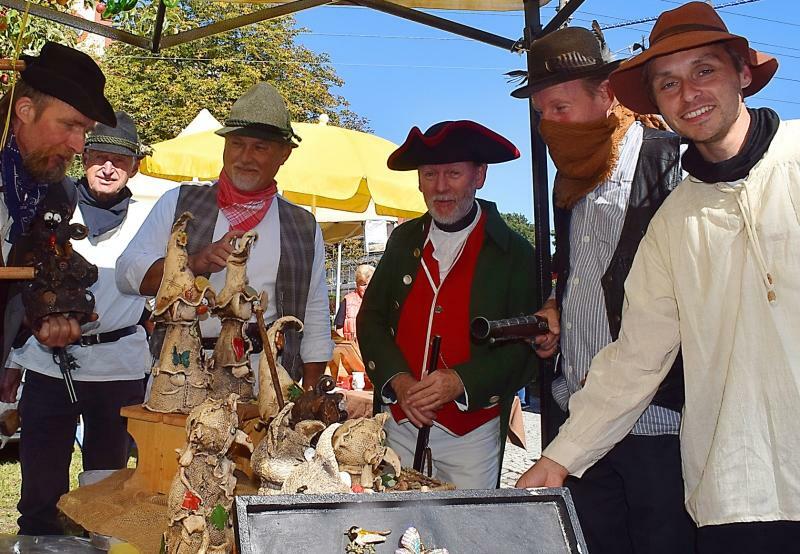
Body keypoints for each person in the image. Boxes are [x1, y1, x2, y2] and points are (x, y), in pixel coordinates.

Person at [516, 2, 800, 552]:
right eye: (668, 83)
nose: (689, 94)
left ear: (743, 73)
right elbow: (637, 353)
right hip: (736, 492)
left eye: (704, 71)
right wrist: (558, 458)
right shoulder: (673, 221)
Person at [509, 25, 694, 553]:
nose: (549, 123)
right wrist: (555, 306)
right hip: (576, 418)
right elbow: (581, 273)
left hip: (657, 423)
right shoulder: (570, 176)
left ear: (607, 93)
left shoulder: (671, 161)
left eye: (561, 107)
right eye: (542, 111)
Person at [357, 120, 538, 489]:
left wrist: (460, 381)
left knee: (464, 532)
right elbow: (372, 319)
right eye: (429, 174)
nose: (440, 187)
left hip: (472, 432)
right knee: (391, 531)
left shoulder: (516, 255)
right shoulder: (403, 241)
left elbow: (527, 347)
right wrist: (401, 382)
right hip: (400, 423)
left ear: (479, 176)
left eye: (453, 173)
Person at [116, 82, 332, 388]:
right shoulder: (178, 202)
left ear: (284, 154)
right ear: (225, 146)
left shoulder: (303, 226)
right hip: (181, 371)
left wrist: (309, 393)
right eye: (237, 144)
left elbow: (315, 317)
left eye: (260, 147)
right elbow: (126, 276)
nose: (245, 157)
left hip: (264, 379)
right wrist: (193, 263)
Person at [1, 112, 151, 535]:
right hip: (50, 360)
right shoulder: (51, 205)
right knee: (40, 483)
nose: (107, 168)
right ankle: (37, 541)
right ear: (84, 157)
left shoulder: (151, 220)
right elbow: (22, 285)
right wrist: (14, 358)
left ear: (134, 166)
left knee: (106, 486)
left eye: (118, 162)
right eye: (99, 156)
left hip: (119, 366)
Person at [0, 41, 116, 368]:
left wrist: (44, 316)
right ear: (25, 110)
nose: (79, 146)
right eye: (69, 125)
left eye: (85, 131)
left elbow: (27, 287)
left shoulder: (59, 195)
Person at [334, 263, 374, 343]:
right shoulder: (347, 300)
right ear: (357, 285)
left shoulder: (381, 302)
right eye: (363, 284)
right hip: (352, 351)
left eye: (370, 284)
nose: (366, 288)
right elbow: (339, 330)